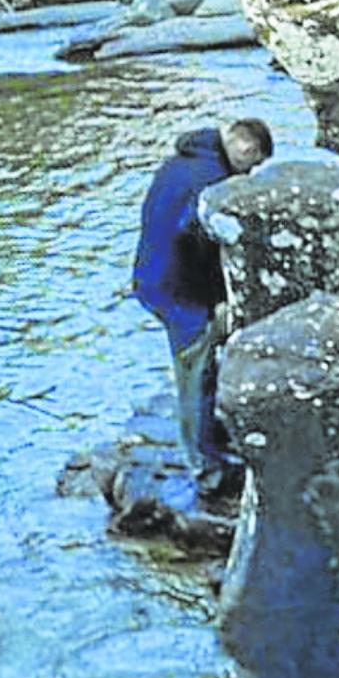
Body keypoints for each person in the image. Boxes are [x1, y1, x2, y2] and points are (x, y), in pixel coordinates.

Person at [132, 117, 274, 496]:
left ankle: (208, 438)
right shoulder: (211, 180)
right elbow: (194, 235)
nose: (252, 172)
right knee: (196, 369)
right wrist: (218, 299)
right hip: (179, 290)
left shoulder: (184, 159)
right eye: (254, 163)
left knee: (199, 364)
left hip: (151, 277)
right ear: (244, 148)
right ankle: (205, 468)